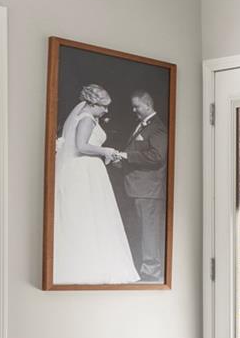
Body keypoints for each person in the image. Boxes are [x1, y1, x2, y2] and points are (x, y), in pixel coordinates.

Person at [52, 83, 138, 284]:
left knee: (91, 214)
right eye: (103, 106)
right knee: (91, 214)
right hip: (85, 170)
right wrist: (106, 151)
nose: (106, 110)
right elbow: (81, 146)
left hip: (85, 169)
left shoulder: (84, 117)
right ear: (93, 103)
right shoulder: (87, 119)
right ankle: (91, 266)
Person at [115, 89, 169, 282]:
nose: (134, 110)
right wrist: (122, 160)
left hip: (148, 190)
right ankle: (145, 269)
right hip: (137, 188)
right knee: (142, 230)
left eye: (137, 106)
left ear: (148, 104)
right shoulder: (141, 125)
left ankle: (152, 272)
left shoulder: (157, 128)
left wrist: (127, 156)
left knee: (149, 231)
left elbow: (157, 156)